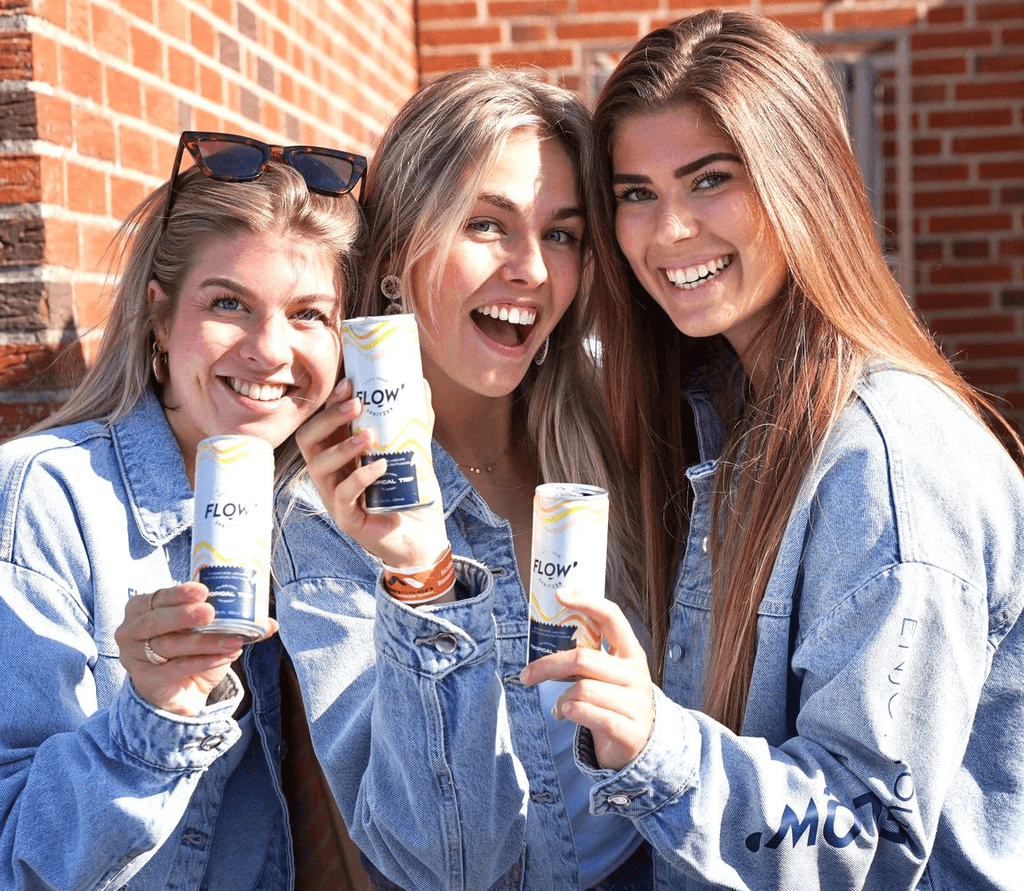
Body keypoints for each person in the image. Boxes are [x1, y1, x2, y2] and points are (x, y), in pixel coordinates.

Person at [518, 9, 1024, 891]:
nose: (668, 230)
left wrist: (654, 742)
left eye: (708, 180)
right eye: (636, 192)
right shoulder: (728, 419)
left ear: (803, 179)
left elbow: (861, 837)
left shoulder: (888, 460)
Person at [273, 67, 651, 891]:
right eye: (488, 224)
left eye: (562, 234)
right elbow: (448, 865)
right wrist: (422, 573)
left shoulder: (620, 425)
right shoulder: (325, 516)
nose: (532, 270)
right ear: (397, 255)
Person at [0, 131, 364, 889]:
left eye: (309, 314)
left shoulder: (323, 517)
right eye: (230, 303)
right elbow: (17, 859)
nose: (271, 350)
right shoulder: (46, 494)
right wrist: (153, 717)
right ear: (161, 319)